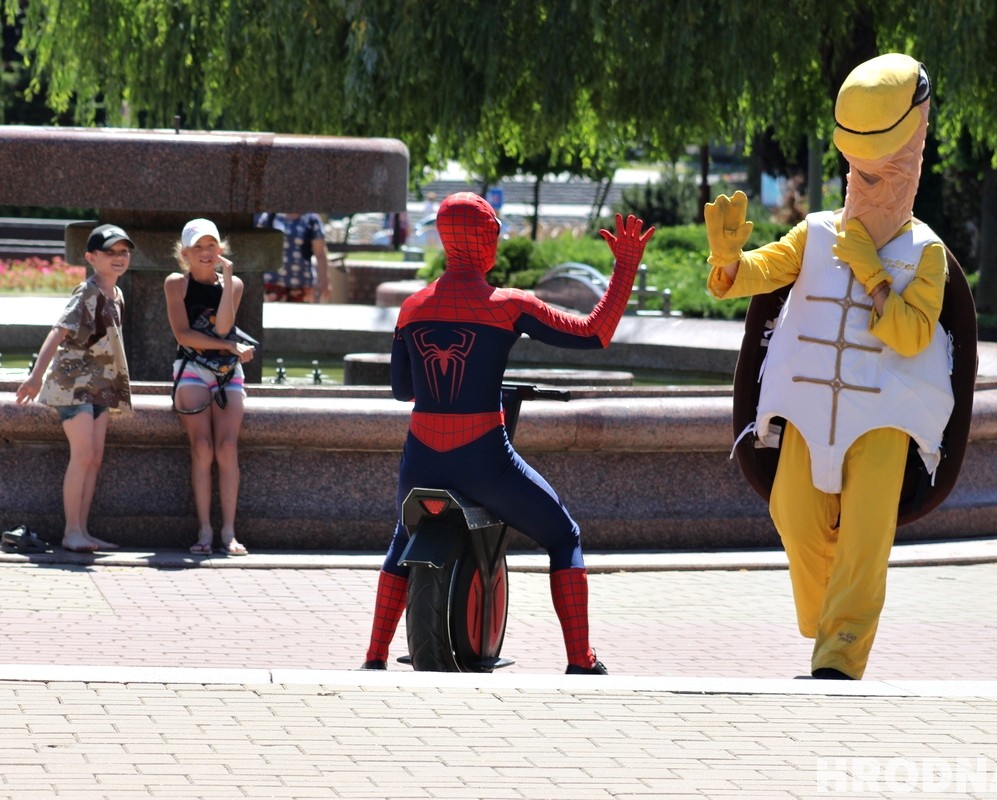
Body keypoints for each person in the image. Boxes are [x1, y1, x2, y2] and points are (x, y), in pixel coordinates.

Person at [706, 54, 955, 680]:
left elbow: (911, 333)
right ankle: (826, 623)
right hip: (811, 410)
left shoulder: (926, 254)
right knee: (793, 513)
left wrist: (872, 270)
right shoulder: (816, 232)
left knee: (866, 541)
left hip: (886, 416)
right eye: (860, 171)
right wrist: (729, 259)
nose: (868, 182)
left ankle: (839, 657)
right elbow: (760, 274)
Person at [361, 192, 654, 674]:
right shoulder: (508, 306)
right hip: (485, 462)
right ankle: (581, 659)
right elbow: (595, 333)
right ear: (487, 239)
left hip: (422, 457)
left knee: (402, 535)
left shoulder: (412, 308)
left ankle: (374, 655)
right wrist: (624, 266)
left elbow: (401, 390)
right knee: (564, 535)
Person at [15, 224, 134, 553]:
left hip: (100, 387)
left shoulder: (117, 294)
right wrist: (35, 377)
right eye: (110, 252)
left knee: (94, 458)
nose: (119, 258)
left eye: (123, 252)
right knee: (82, 455)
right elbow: (58, 333)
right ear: (91, 258)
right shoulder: (87, 292)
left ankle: (82, 530)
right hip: (74, 386)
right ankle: (71, 531)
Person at [164, 218, 257, 556]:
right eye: (198, 247)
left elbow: (223, 328)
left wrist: (229, 278)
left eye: (211, 246)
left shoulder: (234, 284)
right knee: (202, 447)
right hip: (192, 369)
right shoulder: (176, 283)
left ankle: (228, 531)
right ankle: (204, 529)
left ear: (221, 249)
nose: (206, 253)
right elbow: (183, 334)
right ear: (185, 253)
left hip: (226, 372)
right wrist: (232, 348)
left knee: (227, 448)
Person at [255, 212, 330, 303]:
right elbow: (257, 249)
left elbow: (320, 254)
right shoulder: (269, 216)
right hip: (272, 284)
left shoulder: (311, 219)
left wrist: (324, 281)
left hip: (302, 284)